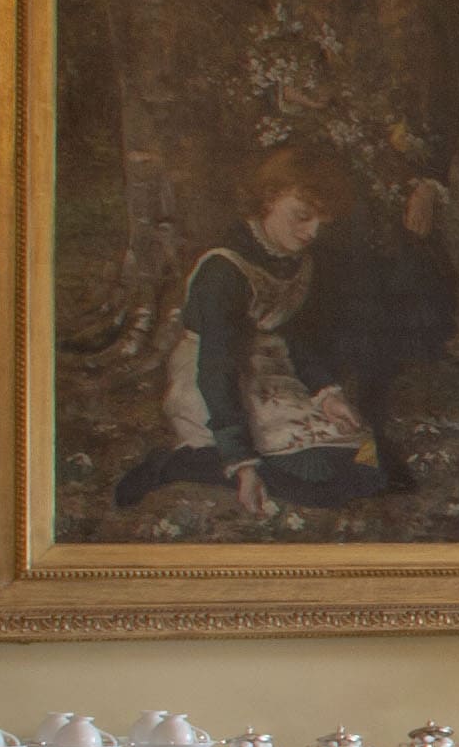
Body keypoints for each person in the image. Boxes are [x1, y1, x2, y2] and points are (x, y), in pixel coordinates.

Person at [245, 0, 459, 487]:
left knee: (388, 299)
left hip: (395, 179)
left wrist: (427, 182)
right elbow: (270, 89)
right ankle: (339, 441)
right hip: (321, 180)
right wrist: (290, 98)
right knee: (333, 294)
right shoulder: (300, 8)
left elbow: (444, 109)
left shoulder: (416, 17)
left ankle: (371, 433)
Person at [115, 151, 388, 515]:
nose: (311, 233)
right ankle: (176, 464)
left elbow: (296, 337)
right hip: (214, 381)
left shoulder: (297, 260)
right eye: (302, 217)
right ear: (270, 197)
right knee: (317, 480)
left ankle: (239, 461)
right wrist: (242, 462)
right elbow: (217, 365)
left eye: (322, 222)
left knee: (369, 465)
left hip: (273, 373)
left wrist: (325, 394)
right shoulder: (223, 269)